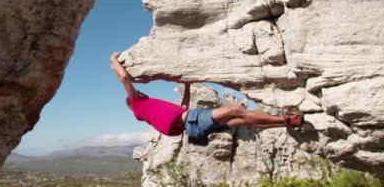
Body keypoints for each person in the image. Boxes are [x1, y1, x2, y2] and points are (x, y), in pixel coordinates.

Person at [110, 52, 304, 145]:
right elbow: (125, 78)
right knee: (236, 110)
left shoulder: (151, 110)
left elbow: (183, 108)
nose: (135, 94)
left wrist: (187, 86)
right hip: (194, 120)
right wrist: (113, 60)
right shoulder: (137, 104)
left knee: (244, 120)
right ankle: (287, 119)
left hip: (193, 124)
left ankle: (286, 122)